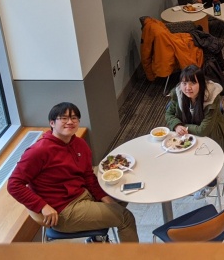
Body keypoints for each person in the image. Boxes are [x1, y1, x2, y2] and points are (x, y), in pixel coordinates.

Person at [7, 102, 138, 242]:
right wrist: (42, 206)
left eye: (74, 118)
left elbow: (88, 176)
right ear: (52, 123)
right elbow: (14, 184)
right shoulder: (39, 151)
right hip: (63, 209)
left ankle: (97, 238)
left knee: (124, 194)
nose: (70, 122)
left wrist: (104, 197)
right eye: (63, 118)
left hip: (82, 192)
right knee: (126, 218)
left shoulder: (79, 144)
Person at [165, 65, 224, 198]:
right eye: (184, 83)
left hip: (213, 137)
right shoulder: (179, 94)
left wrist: (184, 126)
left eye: (193, 83)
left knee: (206, 161)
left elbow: (203, 130)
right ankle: (191, 179)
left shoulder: (212, 98)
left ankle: (211, 183)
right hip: (188, 137)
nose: (188, 88)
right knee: (178, 158)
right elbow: (169, 114)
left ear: (201, 84)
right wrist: (176, 124)